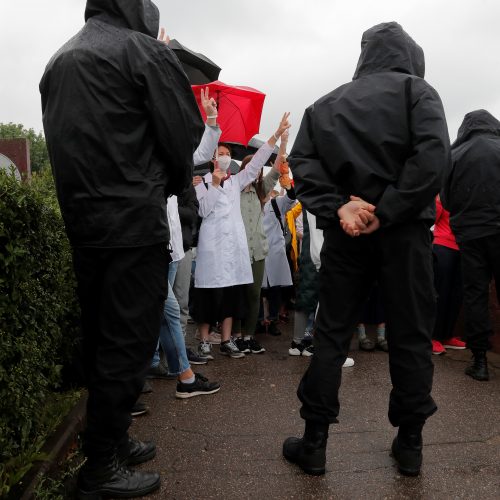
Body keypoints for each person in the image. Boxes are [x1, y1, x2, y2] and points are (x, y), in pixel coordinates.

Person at [39, 1, 204, 497]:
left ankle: (111, 439)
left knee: (100, 335)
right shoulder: (141, 51)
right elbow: (183, 134)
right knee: (129, 342)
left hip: (84, 220)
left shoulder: (58, 60)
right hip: (132, 220)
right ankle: (101, 466)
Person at [284, 22, 450, 477]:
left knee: (332, 334)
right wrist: (390, 208)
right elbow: (433, 157)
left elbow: (302, 164)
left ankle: (314, 440)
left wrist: (341, 206)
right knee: (412, 334)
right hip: (404, 233)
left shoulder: (323, 106)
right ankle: (410, 442)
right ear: (409, 55)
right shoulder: (419, 93)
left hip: (345, 234)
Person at [193, 114, 291, 360]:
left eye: (227, 153)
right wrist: (214, 184)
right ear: (211, 159)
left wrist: (277, 135)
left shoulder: (237, 182)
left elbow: (257, 163)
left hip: (233, 249)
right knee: (208, 296)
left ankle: (227, 340)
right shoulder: (201, 183)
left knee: (230, 295)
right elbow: (203, 211)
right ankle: (204, 340)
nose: (225, 156)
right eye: (220, 153)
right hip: (211, 250)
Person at [441, 109, 500, 381]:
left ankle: (479, 361)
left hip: (470, 234)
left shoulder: (454, 155)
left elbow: (448, 201)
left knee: (475, 295)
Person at [431, 194, 465, 355]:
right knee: (441, 293)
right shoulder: (442, 196)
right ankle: (432, 337)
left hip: (464, 249)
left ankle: (446, 336)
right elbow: (431, 219)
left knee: (457, 295)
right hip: (442, 247)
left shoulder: (468, 196)